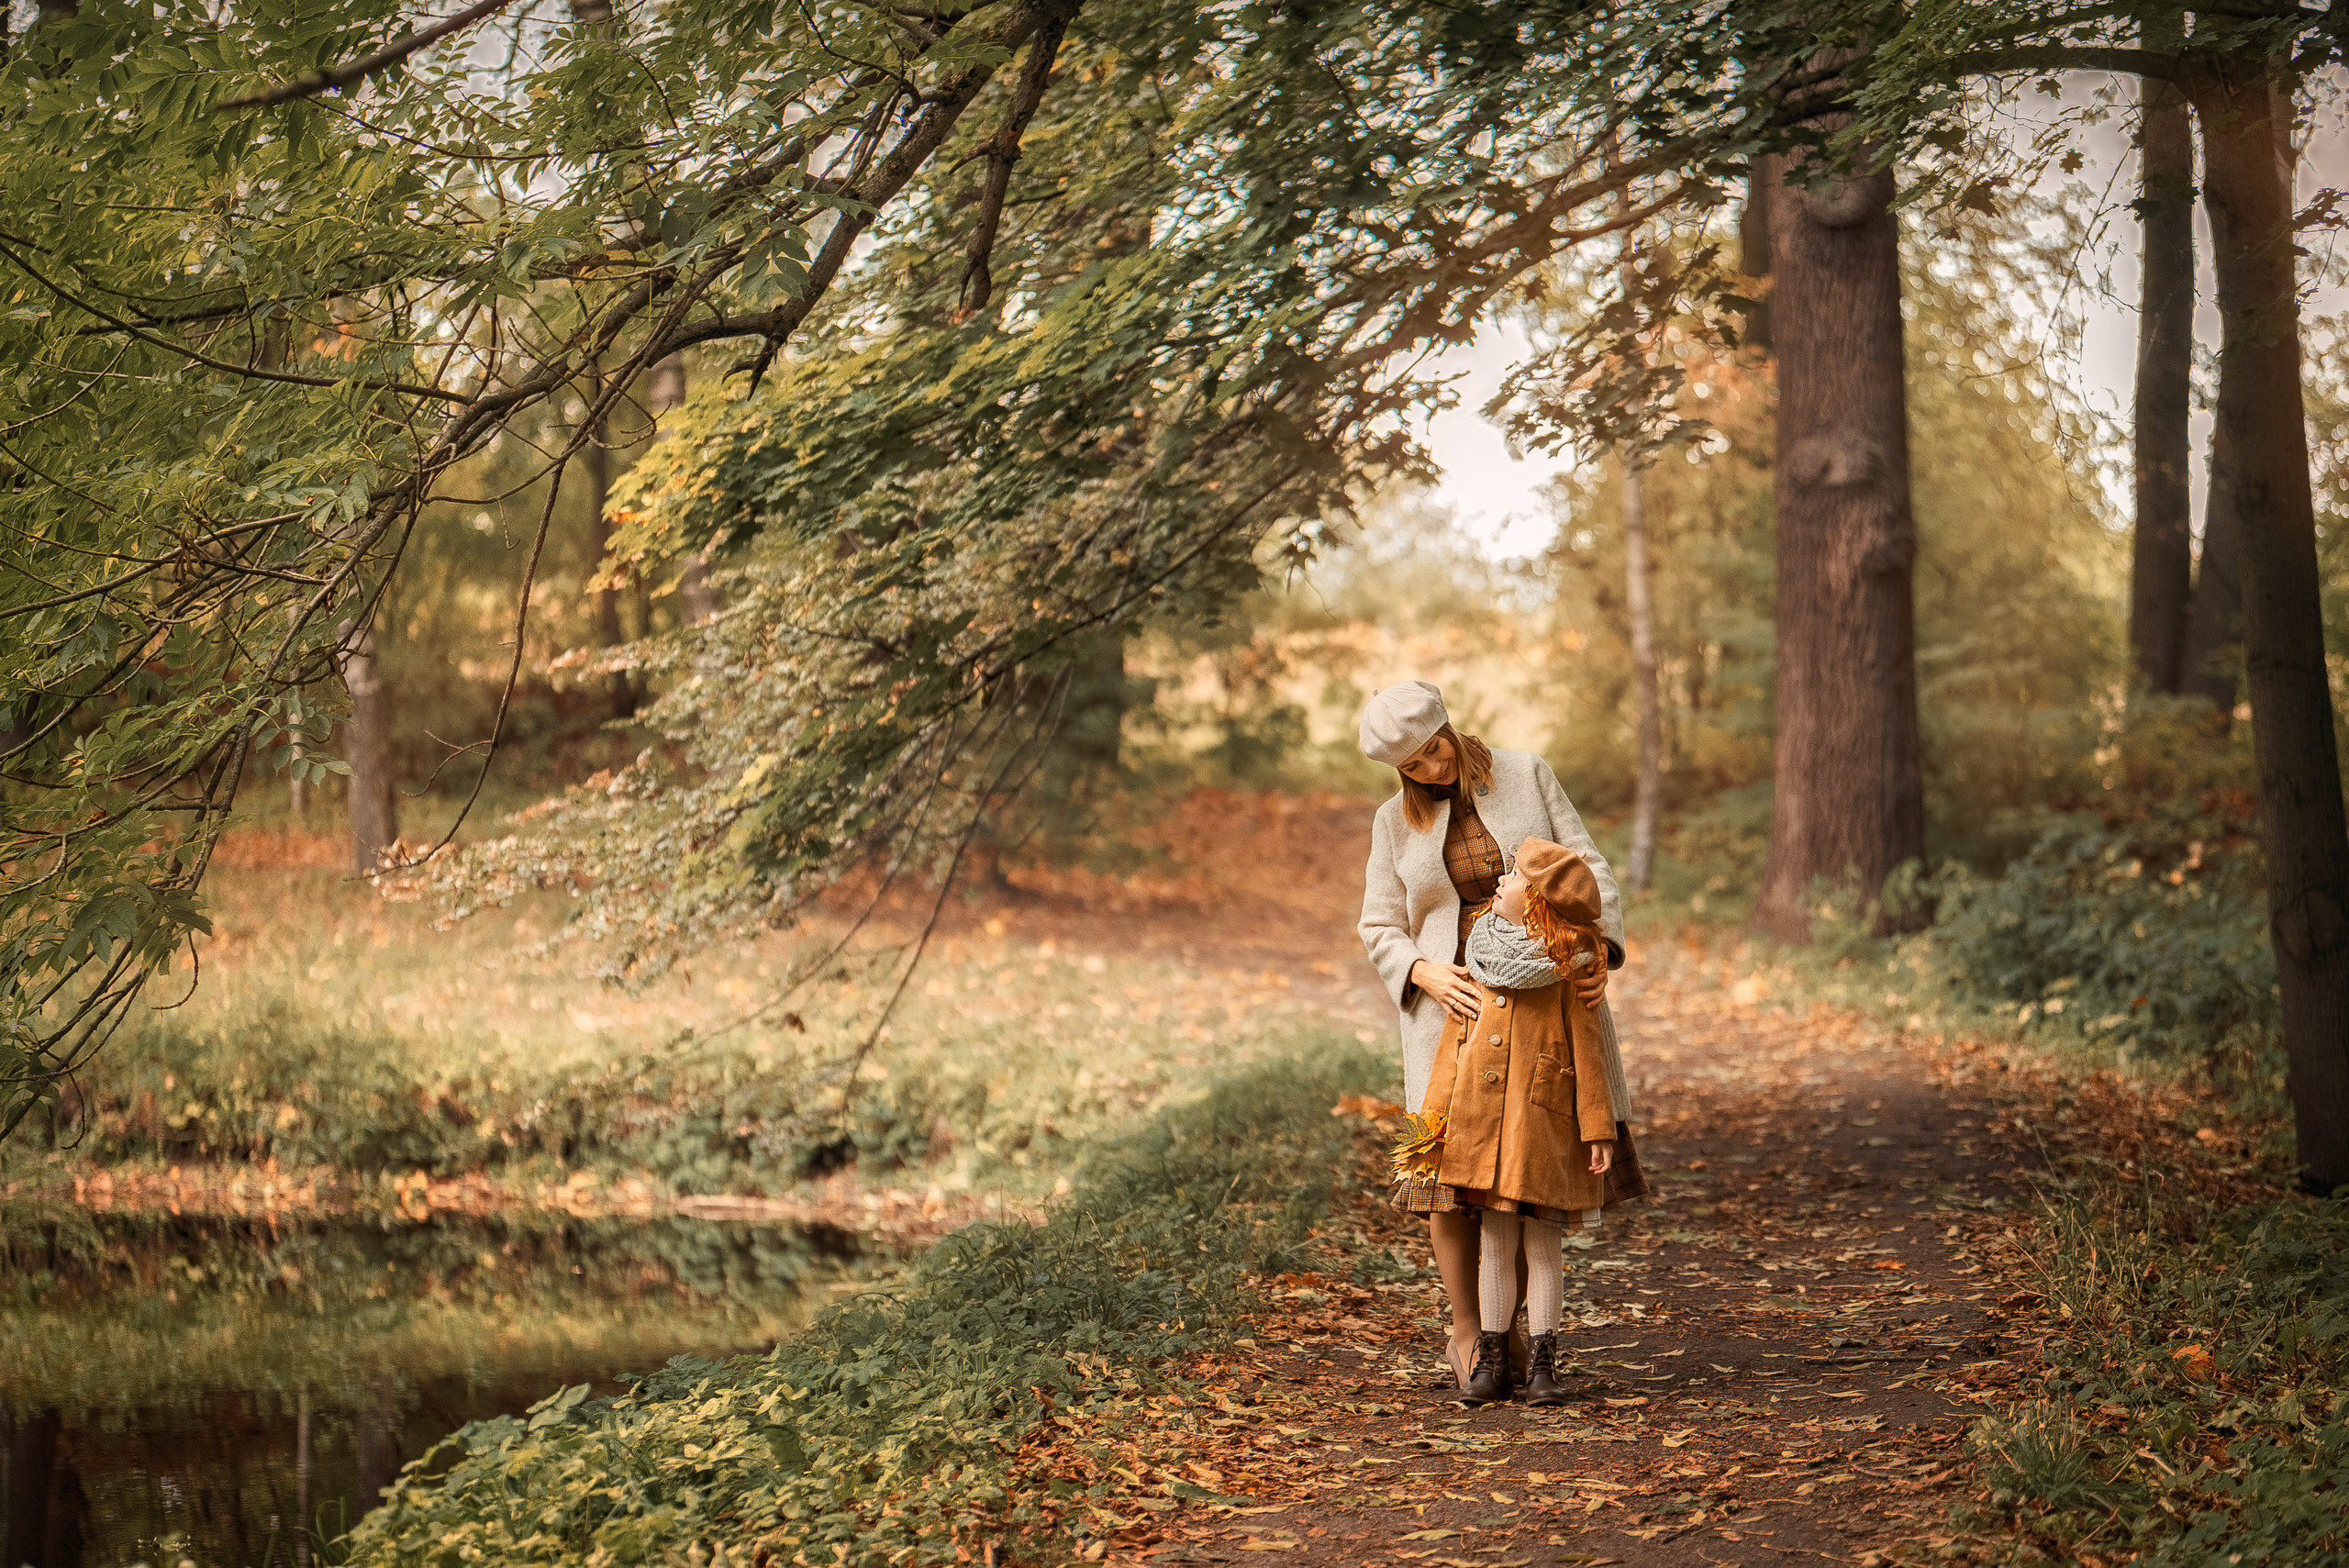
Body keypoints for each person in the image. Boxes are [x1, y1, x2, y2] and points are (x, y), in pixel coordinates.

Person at [1355, 680, 1643, 1394]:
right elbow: (1379, 923)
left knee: (1523, 1162)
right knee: (1449, 1175)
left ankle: (1516, 1331)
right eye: (1413, 764)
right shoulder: (1393, 822)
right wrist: (1421, 970)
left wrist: (1595, 952)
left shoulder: (1527, 773)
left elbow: (1588, 868)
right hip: (1452, 1010)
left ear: (1449, 727)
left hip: (1546, 995)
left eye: (1435, 749)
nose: (1432, 767)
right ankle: (1470, 1329)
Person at [1425, 839, 1622, 1406]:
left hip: (1542, 1125)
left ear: (1537, 902)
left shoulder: (1571, 966)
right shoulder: (1482, 951)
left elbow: (1589, 1053)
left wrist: (1598, 1128)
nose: (1499, 882)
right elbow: (1454, 1041)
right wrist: (1434, 1118)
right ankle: (1491, 1363)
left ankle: (1542, 1365)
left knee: (1542, 1247)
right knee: (1493, 1240)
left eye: (1512, 878)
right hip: (1484, 1123)